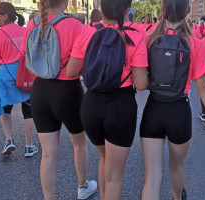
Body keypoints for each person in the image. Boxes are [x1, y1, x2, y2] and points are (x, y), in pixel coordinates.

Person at [140, 0, 205, 200]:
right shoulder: (194, 42)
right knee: (177, 167)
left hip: (153, 109)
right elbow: (203, 86)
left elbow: (141, 79)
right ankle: (177, 197)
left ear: (161, 10)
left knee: (152, 176)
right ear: (188, 10)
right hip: (179, 110)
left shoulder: (149, 38)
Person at [67, 0, 149, 199]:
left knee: (104, 158)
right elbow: (140, 84)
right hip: (119, 107)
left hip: (91, 105)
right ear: (127, 11)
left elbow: (71, 71)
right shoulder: (135, 35)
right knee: (114, 176)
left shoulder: (87, 33)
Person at [23, 0, 97, 199]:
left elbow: (26, 55)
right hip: (68, 91)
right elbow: (84, 63)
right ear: (65, 2)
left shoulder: (32, 24)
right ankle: (82, 186)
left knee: (48, 154)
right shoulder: (75, 26)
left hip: (39, 91)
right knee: (79, 144)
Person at [0, 2, 38, 157]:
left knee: (5, 108)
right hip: (25, 73)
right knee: (28, 110)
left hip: (5, 74)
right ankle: (29, 146)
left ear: (5, 15)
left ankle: (9, 140)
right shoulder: (24, 31)